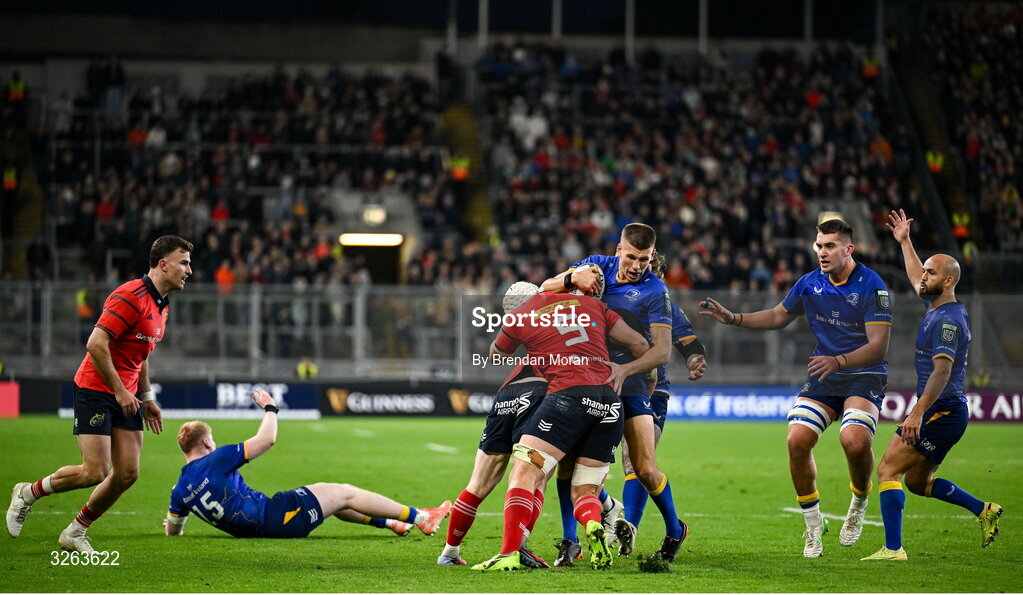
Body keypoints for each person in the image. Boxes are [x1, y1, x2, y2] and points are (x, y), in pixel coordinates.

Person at [699, 218, 892, 558]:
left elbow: (878, 346)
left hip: (864, 372)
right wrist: (734, 318)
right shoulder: (809, 283)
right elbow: (777, 316)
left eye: (830, 245)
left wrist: (840, 361)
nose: (822, 252)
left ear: (849, 248)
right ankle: (814, 524)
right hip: (825, 372)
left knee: (854, 440)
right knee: (796, 439)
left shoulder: (872, 286)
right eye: (819, 245)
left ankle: (859, 501)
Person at [7, 236, 194, 552]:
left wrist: (147, 399)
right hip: (96, 388)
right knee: (95, 471)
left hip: (129, 395)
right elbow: (95, 343)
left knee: (128, 473)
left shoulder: (163, 307)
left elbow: (141, 354)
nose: (189, 270)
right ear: (163, 264)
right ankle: (28, 492)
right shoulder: (129, 295)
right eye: (184, 262)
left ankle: (75, 532)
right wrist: (120, 390)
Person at [472, 285, 663, 571]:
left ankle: (509, 553)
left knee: (524, 472)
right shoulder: (593, 306)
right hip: (610, 402)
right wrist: (643, 382)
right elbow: (639, 345)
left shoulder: (522, 315)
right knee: (584, 490)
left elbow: (495, 355)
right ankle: (595, 524)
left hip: (568, 396)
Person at [861, 209, 1002, 561]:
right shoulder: (939, 306)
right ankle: (983, 509)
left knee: (888, 469)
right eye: (924, 270)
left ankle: (893, 549)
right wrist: (905, 241)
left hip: (941, 411)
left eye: (931, 272)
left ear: (949, 281)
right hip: (947, 413)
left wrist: (916, 414)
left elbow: (942, 371)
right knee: (916, 483)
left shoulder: (947, 322)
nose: (922, 277)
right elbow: (914, 277)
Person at [540, 223, 686, 562]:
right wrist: (570, 279)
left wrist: (623, 370)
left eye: (645, 260)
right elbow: (544, 289)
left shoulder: (656, 291)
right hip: (590, 379)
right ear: (618, 250)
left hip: (634, 380)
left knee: (643, 467)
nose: (637, 266)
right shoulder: (595, 265)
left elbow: (662, 352)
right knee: (568, 461)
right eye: (632, 257)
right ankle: (569, 540)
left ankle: (674, 530)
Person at [163, 388, 450, 539]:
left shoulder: (179, 489)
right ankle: (421, 517)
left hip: (265, 524)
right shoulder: (216, 459)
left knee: (332, 500)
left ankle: (391, 523)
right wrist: (270, 408)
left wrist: (173, 525)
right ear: (206, 444)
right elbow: (267, 440)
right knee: (343, 492)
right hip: (274, 518)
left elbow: (173, 529)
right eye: (211, 439)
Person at [437, 282, 551, 568]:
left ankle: (449, 552)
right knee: (534, 477)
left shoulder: (514, 327)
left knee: (479, 482)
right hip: (539, 390)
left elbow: (496, 354)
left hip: (507, 393)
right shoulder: (556, 318)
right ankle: (518, 547)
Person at [614, 253, 708, 557]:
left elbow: (689, 343)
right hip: (611, 384)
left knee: (637, 462)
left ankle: (632, 527)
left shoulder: (667, 307)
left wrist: (695, 361)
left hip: (653, 391)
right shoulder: (613, 297)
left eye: (651, 270)